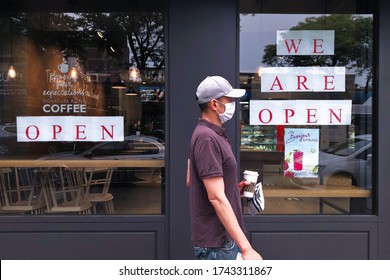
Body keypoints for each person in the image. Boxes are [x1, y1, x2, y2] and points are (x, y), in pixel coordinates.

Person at [186, 75, 263, 260]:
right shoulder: (207, 138)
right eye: (229, 99)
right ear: (214, 104)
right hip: (217, 242)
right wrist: (247, 249)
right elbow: (216, 197)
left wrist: (233, 189)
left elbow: (192, 180)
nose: (233, 103)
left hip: (220, 240)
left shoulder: (208, 133)